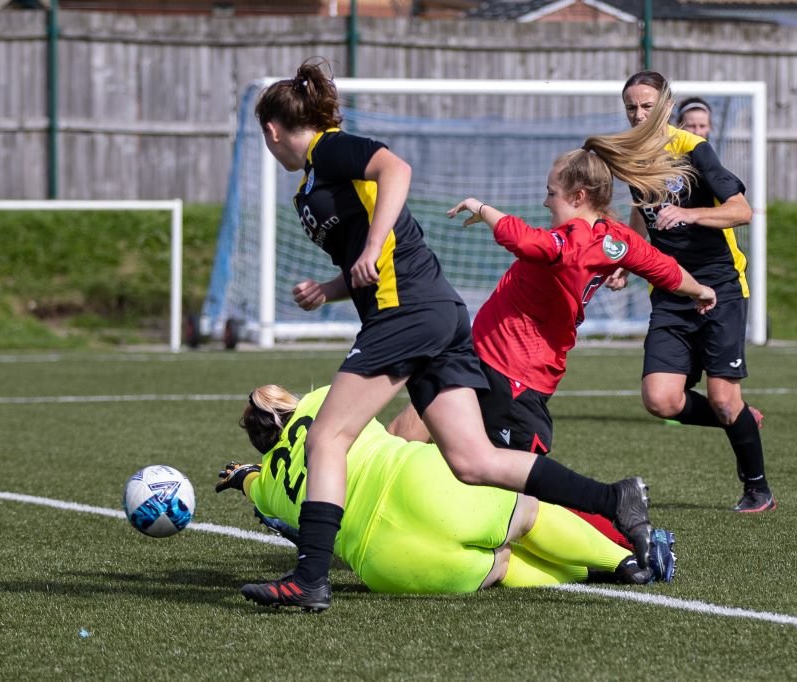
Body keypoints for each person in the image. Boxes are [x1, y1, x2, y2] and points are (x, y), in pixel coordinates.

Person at [242, 56, 662, 612]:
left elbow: (397, 170)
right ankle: (615, 498)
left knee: (326, 438)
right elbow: (377, 252)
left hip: (408, 313)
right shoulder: (314, 181)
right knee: (472, 461)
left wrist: (369, 249)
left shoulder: (329, 148)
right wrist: (329, 287)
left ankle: (309, 579)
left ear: (272, 130)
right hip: (432, 312)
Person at [386, 88, 717, 550]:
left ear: (578, 195)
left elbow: (527, 242)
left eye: (551, 193)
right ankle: (347, 505)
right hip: (484, 360)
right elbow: (666, 270)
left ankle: (623, 541)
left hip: (516, 378)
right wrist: (700, 289)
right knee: (406, 431)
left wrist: (481, 208)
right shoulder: (616, 238)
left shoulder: (572, 242)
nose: (545, 202)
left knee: (528, 492)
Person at [217, 385, 676, 606]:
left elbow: (251, 482)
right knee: (527, 514)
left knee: (502, 564)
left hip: (388, 564)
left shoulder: (269, 492)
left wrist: (241, 476)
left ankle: (593, 573)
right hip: (419, 485)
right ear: (286, 404)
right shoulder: (318, 402)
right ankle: (626, 563)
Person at [607, 70, 775, 513]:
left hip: (719, 287)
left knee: (722, 397)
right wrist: (626, 261)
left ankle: (758, 487)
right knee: (660, 400)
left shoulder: (693, 149)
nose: (638, 114)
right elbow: (643, 214)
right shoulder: (633, 157)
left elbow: (741, 211)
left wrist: (692, 215)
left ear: (665, 104)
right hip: (670, 290)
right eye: (631, 107)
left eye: (646, 106)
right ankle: (739, 418)